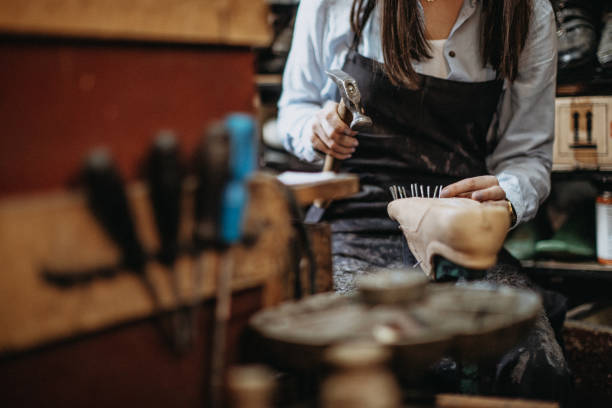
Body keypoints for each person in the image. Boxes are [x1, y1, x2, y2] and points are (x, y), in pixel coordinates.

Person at [278, 0, 570, 402]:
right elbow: (294, 107)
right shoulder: (337, 4)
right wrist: (315, 128)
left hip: (458, 230)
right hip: (353, 224)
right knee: (352, 354)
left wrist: (511, 194)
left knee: (530, 363)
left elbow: (528, 155)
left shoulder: (525, 13)